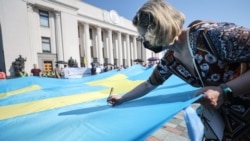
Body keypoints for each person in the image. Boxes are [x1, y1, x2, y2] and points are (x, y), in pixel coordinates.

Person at [107, 0, 250, 140]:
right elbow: (149, 84)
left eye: (145, 37)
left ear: (159, 29)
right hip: (230, 123)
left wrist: (224, 92)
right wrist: (122, 98)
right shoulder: (170, 60)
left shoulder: (212, 35)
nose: (145, 43)